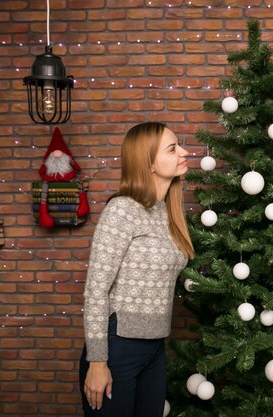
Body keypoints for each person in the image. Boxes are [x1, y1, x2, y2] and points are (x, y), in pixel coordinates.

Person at [79, 122, 195, 417]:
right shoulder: (123, 209)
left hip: (155, 347)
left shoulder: (168, 213)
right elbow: (96, 289)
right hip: (118, 348)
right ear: (148, 162)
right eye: (172, 148)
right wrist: (97, 362)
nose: (184, 151)